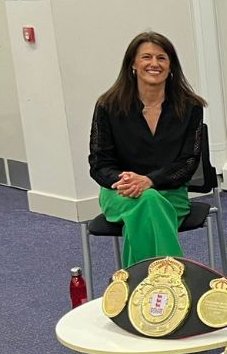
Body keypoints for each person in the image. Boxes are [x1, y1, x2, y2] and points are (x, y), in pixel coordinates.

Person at [89, 31, 208, 267]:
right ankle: (173, 281)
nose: (154, 64)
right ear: (133, 63)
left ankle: (137, 289)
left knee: (146, 205)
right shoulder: (107, 106)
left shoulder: (190, 106)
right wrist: (127, 181)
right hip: (119, 193)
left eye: (161, 58)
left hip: (171, 193)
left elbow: (188, 163)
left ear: (171, 65)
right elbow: (99, 164)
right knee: (147, 202)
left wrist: (149, 181)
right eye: (146, 57)